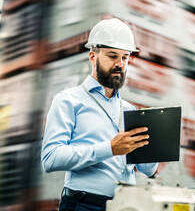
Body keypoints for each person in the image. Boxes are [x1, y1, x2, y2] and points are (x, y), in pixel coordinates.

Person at [41, 18, 158, 211]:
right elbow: (51, 158)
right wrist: (110, 148)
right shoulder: (68, 100)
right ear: (92, 57)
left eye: (125, 57)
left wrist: (156, 144)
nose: (120, 64)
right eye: (112, 56)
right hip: (83, 205)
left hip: (126, 205)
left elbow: (148, 170)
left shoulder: (129, 110)